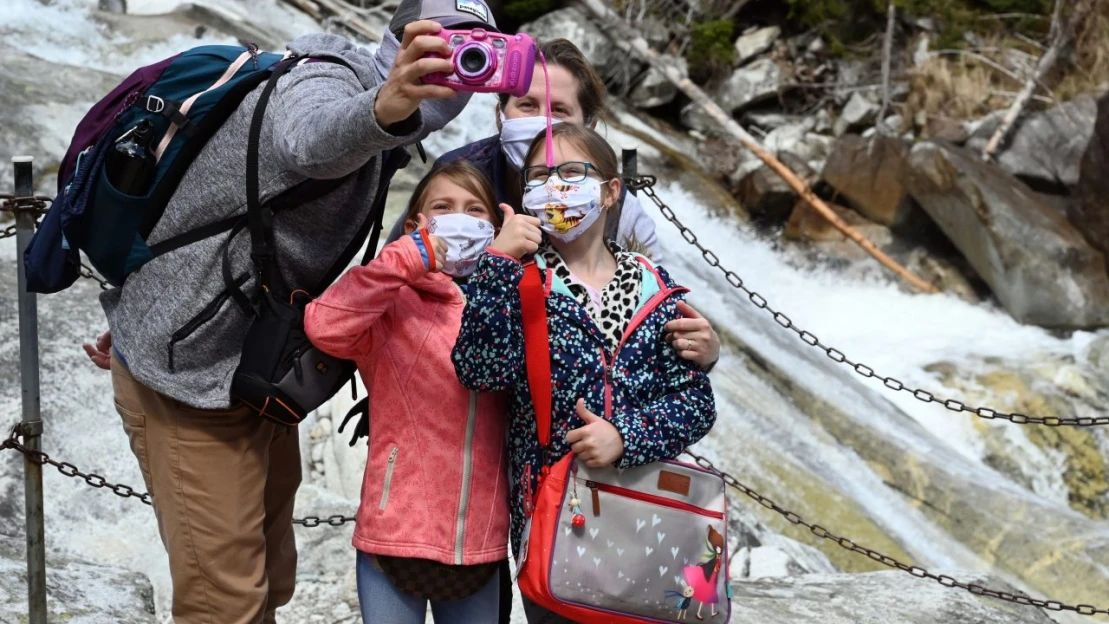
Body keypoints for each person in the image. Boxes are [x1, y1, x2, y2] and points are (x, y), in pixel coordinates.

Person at [89, 1, 498, 621]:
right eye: (444, 45)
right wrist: (387, 107)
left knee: (272, 579)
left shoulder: (393, 134)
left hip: (251, 370)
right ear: (399, 42)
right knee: (226, 603)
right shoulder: (325, 76)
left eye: (477, 55)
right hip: (187, 377)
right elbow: (308, 139)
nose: (455, 68)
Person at [451, 123, 717, 624]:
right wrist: (497, 264)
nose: (556, 187)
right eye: (541, 176)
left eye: (572, 172)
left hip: (646, 512)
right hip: (556, 517)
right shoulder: (522, 278)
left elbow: (696, 403)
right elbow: (478, 371)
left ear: (611, 190)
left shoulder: (653, 286)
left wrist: (625, 437)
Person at [381, 37, 724, 372]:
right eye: (527, 105)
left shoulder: (618, 209)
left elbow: (660, 327)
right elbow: (390, 278)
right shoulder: (458, 177)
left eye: (559, 110)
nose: (542, 123)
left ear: (588, 126)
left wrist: (704, 354)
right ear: (502, 114)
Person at [304, 161, 510, 623]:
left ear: (497, 228)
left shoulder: (511, 305)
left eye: (476, 210)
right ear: (418, 224)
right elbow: (325, 325)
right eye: (443, 207)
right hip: (393, 534)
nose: (460, 219)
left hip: (481, 542)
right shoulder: (394, 300)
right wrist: (406, 257)